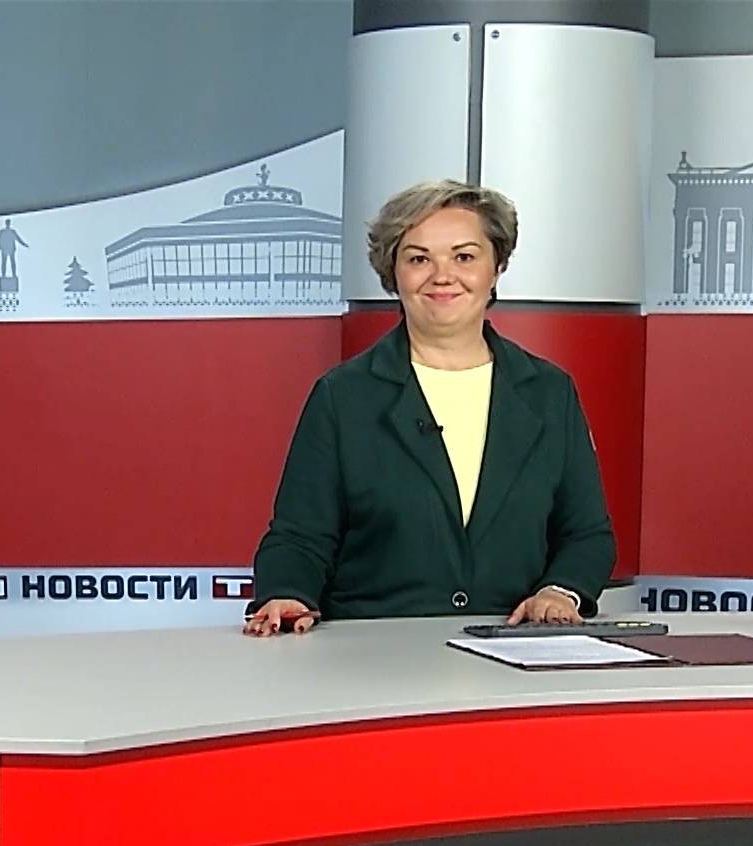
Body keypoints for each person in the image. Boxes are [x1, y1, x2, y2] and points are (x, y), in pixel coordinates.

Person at [244, 180, 615, 637]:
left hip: (512, 644)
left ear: (497, 266)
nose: (443, 276)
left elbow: (586, 534)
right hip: (373, 650)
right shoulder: (342, 396)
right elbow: (300, 536)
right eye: (419, 259)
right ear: (393, 272)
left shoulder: (549, 392)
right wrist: (288, 593)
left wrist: (560, 591)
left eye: (464, 257)